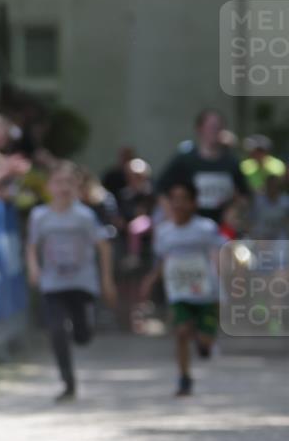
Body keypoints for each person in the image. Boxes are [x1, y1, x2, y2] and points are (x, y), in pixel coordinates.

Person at [27, 161, 117, 402]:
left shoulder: (85, 216)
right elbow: (32, 246)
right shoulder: (39, 216)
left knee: (82, 336)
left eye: (68, 182)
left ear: (77, 185)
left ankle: (85, 327)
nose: (63, 188)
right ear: (49, 186)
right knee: (56, 330)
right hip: (53, 283)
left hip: (82, 283)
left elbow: (104, 247)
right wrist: (34, 268)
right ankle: (68, 381)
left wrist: (106, 279)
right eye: (58, 182)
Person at [139, 180, 226, 397]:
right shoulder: (164, 232)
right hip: (179, 291)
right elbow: (161, 260)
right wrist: (151, 279)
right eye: (174, 199)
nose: (178, 204)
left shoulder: (205, 228)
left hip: (205, 292)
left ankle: (204, 342)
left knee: (204, 340)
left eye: (183, 199)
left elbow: (222, 251)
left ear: (194, 203)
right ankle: (184, 378)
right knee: (181, 332)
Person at [157, 110, 249, 223]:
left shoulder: (231, 162)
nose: (215, 131)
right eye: (211, 127)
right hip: (192, 228)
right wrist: (173, 217)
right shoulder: (185, 160)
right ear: (199, 129)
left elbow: (244, 195)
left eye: (219, 127)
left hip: (222, 230)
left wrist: (235, 210)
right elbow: (161, 189)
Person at [249, 174, 289, 240]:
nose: (273, 188)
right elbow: (251, 220)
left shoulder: (286, 200)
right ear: (266, 186)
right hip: (260, 235)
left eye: (275, 186)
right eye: (270, 185)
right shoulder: (257, 200)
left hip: (280, 235)